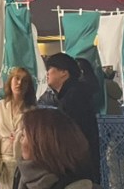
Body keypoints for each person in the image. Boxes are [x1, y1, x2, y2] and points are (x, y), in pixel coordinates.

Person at [38, 53, 100, 183]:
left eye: (50, 69)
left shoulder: (74, 97)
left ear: (64, 73)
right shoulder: (72, 94)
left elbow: (72, 134)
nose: (47, 73)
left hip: (76, 168)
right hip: (82, 166)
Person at [14, 107, 98, 189]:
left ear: (42, 142)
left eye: (23, 135)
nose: (20, 141)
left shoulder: (79, 186)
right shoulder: (22, 176)